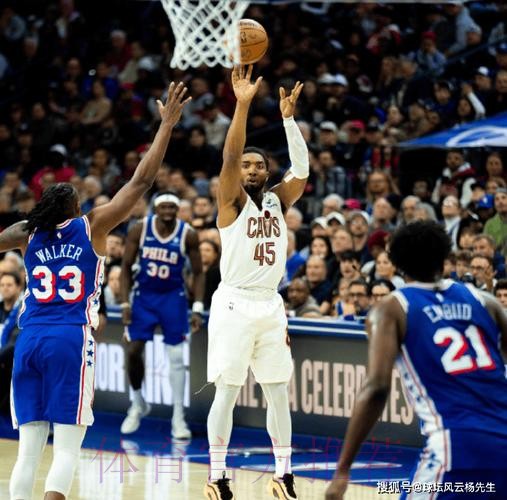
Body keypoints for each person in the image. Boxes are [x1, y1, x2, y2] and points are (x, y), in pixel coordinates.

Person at [0, 81, 191, 500]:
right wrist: (166, 126)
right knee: (68, 448)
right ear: (74, 208)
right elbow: (141, 182)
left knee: (28, 451)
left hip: (28, 339)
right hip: (69, 338)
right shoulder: (92, 225)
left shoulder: (25, 233)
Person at [326, 220, 507, 500]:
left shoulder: (392, 308)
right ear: (445, 256)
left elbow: (376, 388)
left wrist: (342, 470)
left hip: (454, 446)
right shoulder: (486, 301)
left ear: (397, 263)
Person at [204, 65, 307, 500]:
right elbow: (229, 158)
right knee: (227, 392)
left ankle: (284, 473)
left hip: (270, 304)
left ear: (266, 172)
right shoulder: (230, 202)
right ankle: (217, 476)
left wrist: (288, 120)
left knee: (278, 392)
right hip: (233, 303)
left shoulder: (278, 200)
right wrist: (242, 105)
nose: (250, 169)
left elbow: (301, 170)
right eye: (246, 164)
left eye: (258, 165)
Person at [120, 191, 204, 438]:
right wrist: (124, 303)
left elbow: (198, 272)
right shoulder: (140, 229)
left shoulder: (188, 233)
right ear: (155, 209)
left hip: (172, 298)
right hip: (144, 297)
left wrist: (197, 307)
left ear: (177, 210)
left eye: (172, 207)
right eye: (163, 207)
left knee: (176, 357)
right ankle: (137, 403)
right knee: (133, 351)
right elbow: (125, 266)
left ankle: (178, 417)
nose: (168, 211)